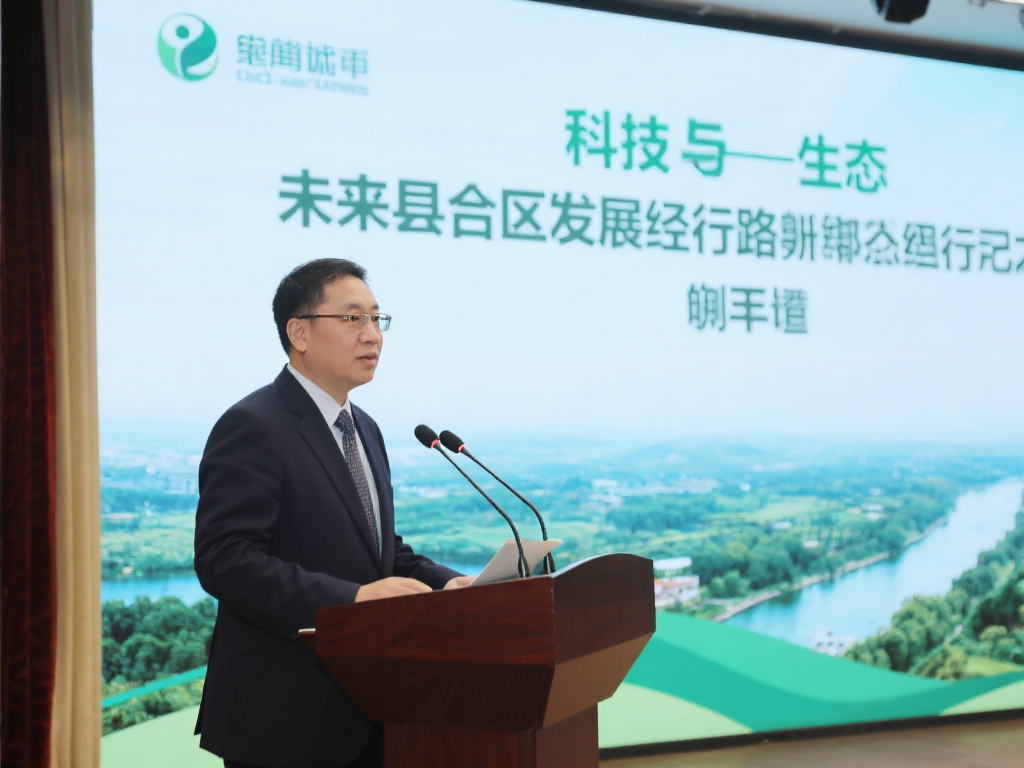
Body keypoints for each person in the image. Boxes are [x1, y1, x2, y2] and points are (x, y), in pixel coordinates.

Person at [193, 258, 473, 768]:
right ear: (298, 332)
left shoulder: (364, 426)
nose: (371, 335)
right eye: (351, 318)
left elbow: (377, 549)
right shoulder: (253, 425)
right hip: (284, 716)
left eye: (376, 319)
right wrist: (354, 600)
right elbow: (226, 560)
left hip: (372, 705)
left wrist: (446, 584)